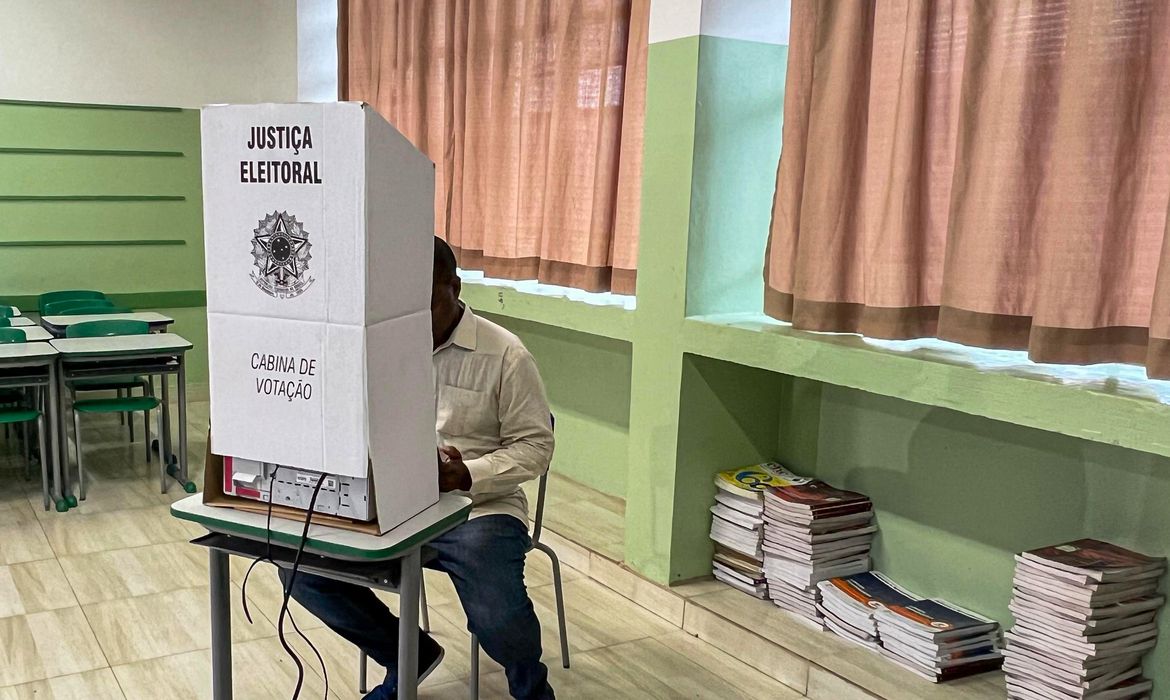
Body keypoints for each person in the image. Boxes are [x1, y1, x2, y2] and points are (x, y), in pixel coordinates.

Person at [281, 237, 557, 700]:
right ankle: (407, 656)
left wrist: (467, 473)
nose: (410, 318)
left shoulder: (506, 355)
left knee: (497, 610)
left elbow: (535, 446)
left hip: (477, 508)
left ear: (455, 287)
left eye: (424, 301)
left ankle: (530, 685)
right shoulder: (379, 346)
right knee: (299, 567)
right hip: (392, 502)